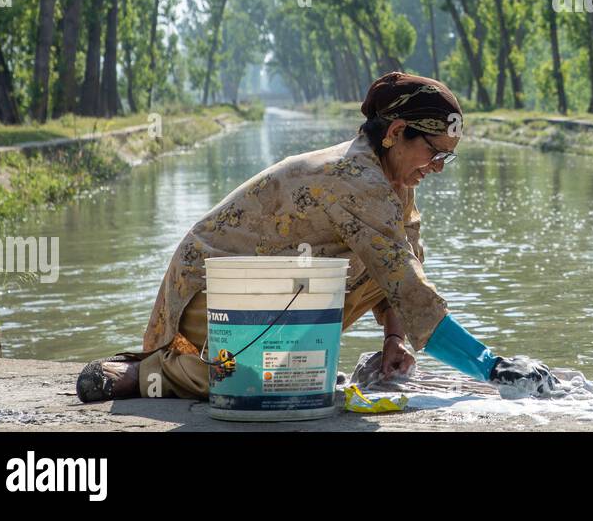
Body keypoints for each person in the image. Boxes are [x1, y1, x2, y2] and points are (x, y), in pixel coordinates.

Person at [75, 71, 551, 403]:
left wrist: (394, 337)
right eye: (433, 153)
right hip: (212, 295)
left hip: (269, 292)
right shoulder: (357, 180)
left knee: (389, 261)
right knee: (267, 390)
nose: (437, 168)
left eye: (447, 158)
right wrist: (492, 367)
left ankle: (265, 364)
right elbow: (409, 289)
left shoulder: (395, 183)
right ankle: (159, 371)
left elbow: (403, 270)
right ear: (397, 132)